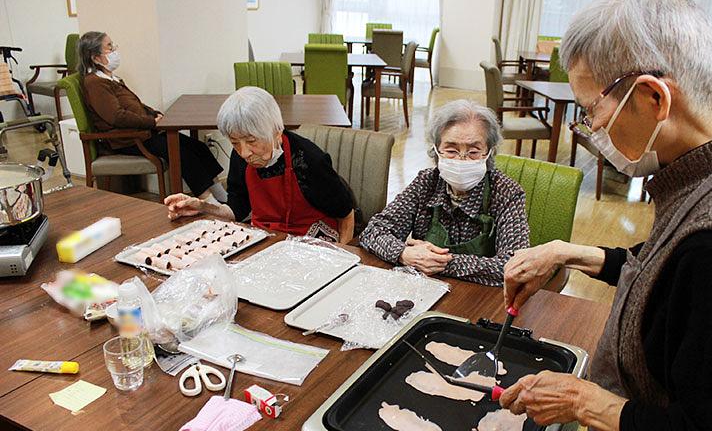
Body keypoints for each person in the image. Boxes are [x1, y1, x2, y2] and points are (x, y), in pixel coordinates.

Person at [499, 0, 712, 431]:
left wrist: (584, 400)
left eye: (592, 111)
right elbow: (670, 281)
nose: (592, 129)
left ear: (653, 98)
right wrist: (571, 253)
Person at [359, 100, 529, 287]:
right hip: (423, 290)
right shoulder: (426, 183)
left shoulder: (507, 193)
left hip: (480, 297)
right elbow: (374, 231)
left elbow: (515, 265)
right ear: (436, 151)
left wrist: (442, 263)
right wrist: (404, 253)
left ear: (489, 152)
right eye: (451, 150)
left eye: (473, 151)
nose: (461, 159)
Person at [165, 87, 355, 243]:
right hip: (269, 240)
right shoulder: (240, 157)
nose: (244, 152)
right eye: (235, 143)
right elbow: (236, 212)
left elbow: (346, 214)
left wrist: (342, 260)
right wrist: (203, 207)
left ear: (276, 131)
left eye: (252, 141)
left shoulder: (309, 160)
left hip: (314, 243)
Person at [78, 32, 227, 203]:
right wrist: (151, 122)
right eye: (109, 47)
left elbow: (135, 105)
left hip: (143, 131)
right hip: (127, 139)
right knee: (182, 153)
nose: (115, 50)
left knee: (198, 147)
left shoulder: (112, 78)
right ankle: (210, 202)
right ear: (96, 57)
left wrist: (153, 113)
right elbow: (117, 117)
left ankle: (223, 198)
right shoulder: (95, 83)